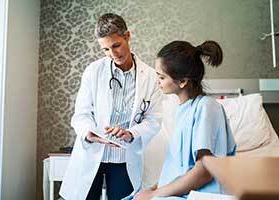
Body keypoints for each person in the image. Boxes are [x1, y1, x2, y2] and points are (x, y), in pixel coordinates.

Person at [59, 13, 162, 200]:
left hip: (124, 158)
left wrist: (132, 133)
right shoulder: (93, 71)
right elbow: (81, 114)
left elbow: (154, 119)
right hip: (93, 153)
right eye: (105, 49)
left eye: (116, 45)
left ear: (127, 36)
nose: (113, 54)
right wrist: (88, 132)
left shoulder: (151, 77)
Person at [133, 40, 236, 200]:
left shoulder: (207, 107)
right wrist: (152, 189)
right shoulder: (182, 110)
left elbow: (205, 172)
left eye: (161, 77)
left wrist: (154, 194)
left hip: (202, 194)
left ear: (182, 81)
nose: (157, 81)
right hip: (181, 193)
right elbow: (176, 170)